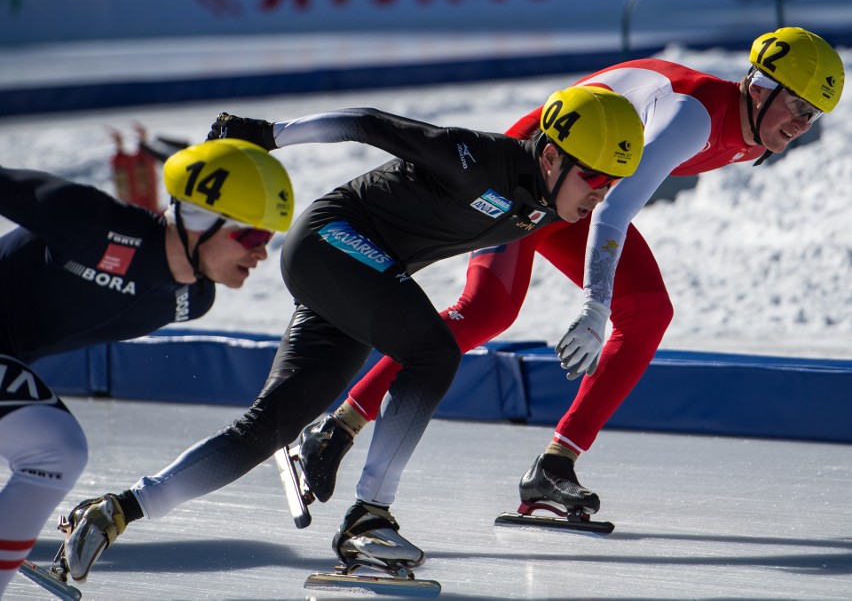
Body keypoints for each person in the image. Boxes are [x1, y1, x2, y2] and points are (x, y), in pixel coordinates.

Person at [60, 86, 645, 582]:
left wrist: (596, 306)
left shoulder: (552, 201)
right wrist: (269, 132)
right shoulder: (479, 159)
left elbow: (603, 238)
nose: (603, 191)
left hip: (359, 277)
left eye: (615, 180)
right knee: (434, 352)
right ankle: (369, 517)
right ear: (550, 158)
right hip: (329, 238)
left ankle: (118, 510)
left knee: (267, 427)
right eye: (596, 176)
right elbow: (369, 123)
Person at [296, 26, 846, 521]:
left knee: (650, 310)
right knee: (487, 310)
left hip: (582, 194)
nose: (801, 125)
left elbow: (609, 196)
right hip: (535, 183)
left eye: (813, 116)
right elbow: (614, 208)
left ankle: (555, 464)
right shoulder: (694, 114)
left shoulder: (752, 139)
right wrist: (595, 305)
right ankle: (337, 427)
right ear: (758, 86)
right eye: (797, 106)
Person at [0, 138, 293, 596]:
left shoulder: (193, 300)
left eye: (268, 240)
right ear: (200, 219)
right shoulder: (94, 224)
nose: (261, 253)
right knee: (55, 451)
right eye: (251, 236)